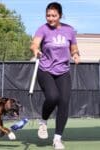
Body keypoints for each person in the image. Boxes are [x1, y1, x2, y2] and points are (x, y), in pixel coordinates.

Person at [30, 2, 80, 149]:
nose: (50, 18)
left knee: (64, 103)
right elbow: (34, 44)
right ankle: (43, 121)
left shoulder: (69, 30)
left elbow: (74, 48)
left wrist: (76, 55)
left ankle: (57, 139)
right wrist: (36, 51)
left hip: (63, 71)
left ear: (60, 15)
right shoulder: (43, 29)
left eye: (53, 15)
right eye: (48, 15)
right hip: (45, 70)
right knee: (53, 97)